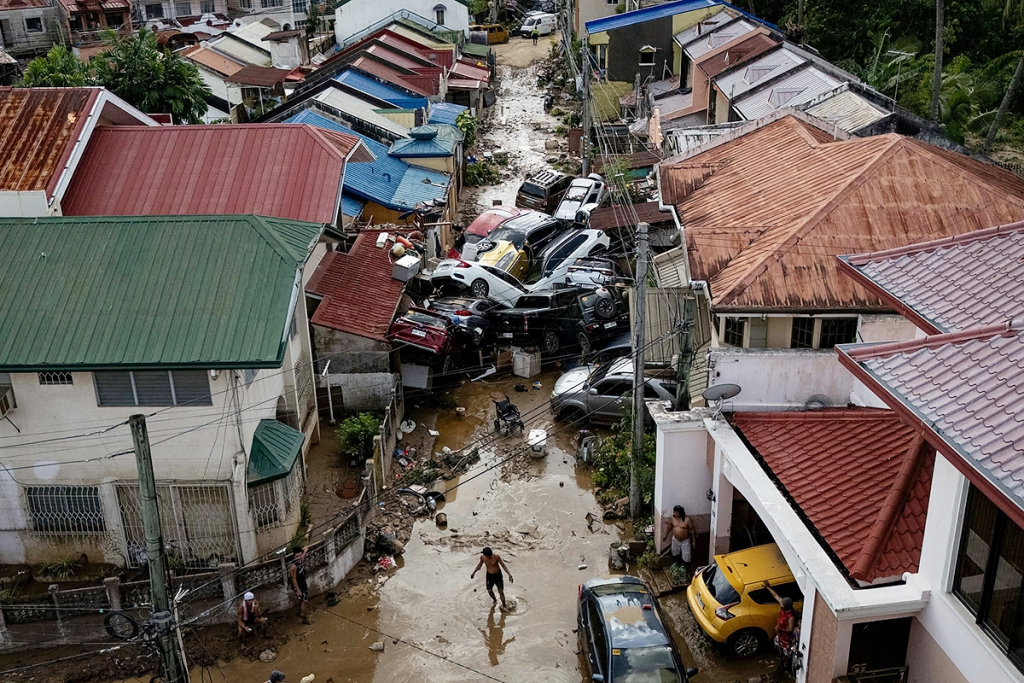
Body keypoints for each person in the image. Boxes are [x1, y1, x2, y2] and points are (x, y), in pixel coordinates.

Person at [762, 581, 797, 660]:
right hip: (780, 634)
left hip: (785, 637)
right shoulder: (784, 609)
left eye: (782, 604)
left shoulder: (791, 617)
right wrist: (767, 587)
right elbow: (775, 595)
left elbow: (790, 629)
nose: (780, 604)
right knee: (779, 646)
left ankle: (786, 660)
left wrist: (779, 629)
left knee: (785, 650)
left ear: (786, 606)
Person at [661, 505, 696, 573]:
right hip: (675, 539)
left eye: (677, 513)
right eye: (674, 512)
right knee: (675, 552)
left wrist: (694, 541)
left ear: (681, 513)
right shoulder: (673, 518)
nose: (675, 514)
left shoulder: (687, 520)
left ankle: (687, 569)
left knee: (687, 555)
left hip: (685, 540)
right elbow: (669, 526)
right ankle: (677, 565)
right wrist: (666, 535)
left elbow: (692, 531)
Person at [290, 546, 310, 624]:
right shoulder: (293, 566)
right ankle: (302, 617)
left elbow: (304, 552)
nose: (299, 558)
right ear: (294, 556)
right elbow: (293, 579)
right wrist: (298, 590)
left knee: (303, 600)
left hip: (302, 583)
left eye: (300, 555)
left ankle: (301, 614)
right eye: (297, 556)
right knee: (304, 601)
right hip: (297, 585)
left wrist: (305, 550)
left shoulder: (301, 559)